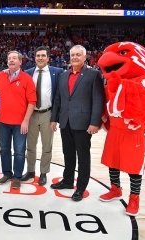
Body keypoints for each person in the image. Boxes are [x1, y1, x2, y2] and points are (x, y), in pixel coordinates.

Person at [97, 41, 145, 216]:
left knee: (134, 167)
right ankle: (115, 189)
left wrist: (119, 85)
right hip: (115, 130)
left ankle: (134, 198)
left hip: (133, 132)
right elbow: (105, 104)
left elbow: (141, 103)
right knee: (112, 162)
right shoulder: (112, 82)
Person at [50, 45, 105, 201]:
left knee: (83, 157)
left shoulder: (93, 75)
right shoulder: (63, 75)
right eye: (72, 54)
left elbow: (98, 100)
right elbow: (58, 99)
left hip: (83, 123)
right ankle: (67, 181)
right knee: (68, 155)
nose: (74, 57)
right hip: (65, 122)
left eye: (78, 55)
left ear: (85, 56)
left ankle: (81, 188)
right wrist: (54, 118)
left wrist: (95, 122)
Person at [0, 51, 36, 189]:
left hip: (20, 123)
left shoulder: (27, 79)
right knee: (4, 149)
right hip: (3, 121)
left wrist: (26, 120)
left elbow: (32, 101)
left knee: (19, 151)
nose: (11, 60)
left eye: (14, 58)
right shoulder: (1, 76)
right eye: (9, 58)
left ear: (20, 62)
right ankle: (7, 173)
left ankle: (17, 177)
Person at [22, 46, 63, 186]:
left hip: (48, 114)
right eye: (38, 55)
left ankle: (44, 173)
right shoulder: (27, 73)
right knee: (30, 146)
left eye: (43, 56)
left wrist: (55, 118)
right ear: (34, 57)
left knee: (47, 147)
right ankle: (31, 171)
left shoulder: (57, 72)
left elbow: (59, 97)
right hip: (31, 114)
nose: (40, 58)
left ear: (48, 58)